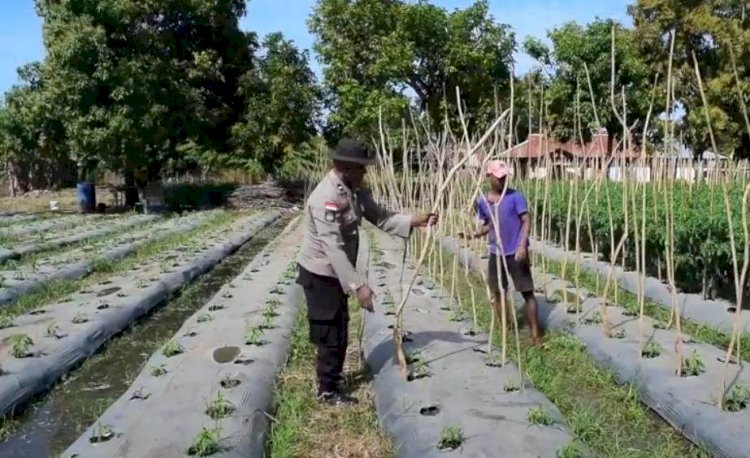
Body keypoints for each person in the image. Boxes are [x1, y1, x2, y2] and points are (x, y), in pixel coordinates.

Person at [296, 138, 438, 406]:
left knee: (340, 326)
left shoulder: (354, 190)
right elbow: (334, 250)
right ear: (346, 167)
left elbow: (381, 217)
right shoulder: (325, 198)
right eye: (361, 168)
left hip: (336, 273)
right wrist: (358, 286)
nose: (365, 173)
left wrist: (414, 221)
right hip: (321, 274)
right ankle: (327, 391)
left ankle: (333, 381)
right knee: (329, 331)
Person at [459, 159, 542, 346]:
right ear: (489, 177)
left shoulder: (516, 197)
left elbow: (526, 221)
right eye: (499, 178)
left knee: (527, 293)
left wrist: (522, 245)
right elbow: (488, 225)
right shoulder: (483, 201)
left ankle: (536, 335)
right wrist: (473, 234)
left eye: (505, 177)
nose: (503, 181)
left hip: (516, 252)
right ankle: (505, 328)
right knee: (498, 293)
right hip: (496, 253)